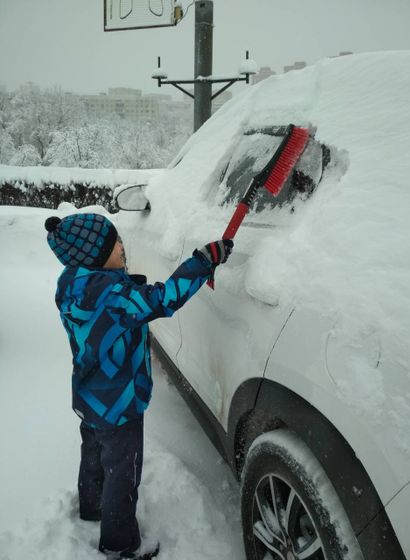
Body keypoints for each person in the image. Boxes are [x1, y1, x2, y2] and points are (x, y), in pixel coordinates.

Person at [44, 212, 233, 560]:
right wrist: (202, 263)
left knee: (95, 455)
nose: (121, 245)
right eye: (114, 243)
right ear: (95, 255)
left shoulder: (70, 282)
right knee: (123, 474)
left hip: (89, 395)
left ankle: (91, 506)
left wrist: (120, 280)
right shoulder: (114, 296)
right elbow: (163, 299)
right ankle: (120, 544)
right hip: (120, 403)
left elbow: (107, 301)